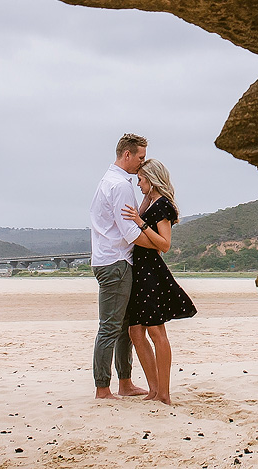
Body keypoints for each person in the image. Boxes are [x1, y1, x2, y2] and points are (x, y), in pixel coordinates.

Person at [122, 158, 196, 404]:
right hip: (141, 271)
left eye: (141, 180)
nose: (138, 183)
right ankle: (154, 389)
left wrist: (140, 222)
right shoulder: (152, 201)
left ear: (152, 180)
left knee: (156, 331)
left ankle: (164, 394)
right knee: (136, 331)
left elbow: (165, 245)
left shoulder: (163, 205)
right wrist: (143, 204)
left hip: (151, 271)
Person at [89, 132, 150, 400]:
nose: (142, 162)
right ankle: (103, 388)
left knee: (123, 326)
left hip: (111, 260)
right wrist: (161, 244)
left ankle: (125, 382)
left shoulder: (109, 181)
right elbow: (130, 232)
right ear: (127, 154)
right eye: (140, 157)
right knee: (111, 327)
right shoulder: (121, 186)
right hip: (115, 262)